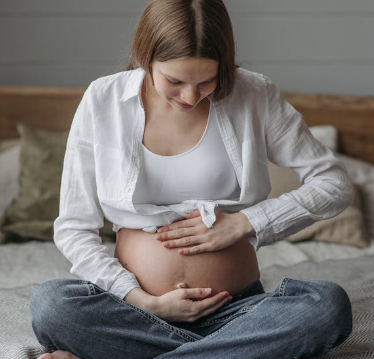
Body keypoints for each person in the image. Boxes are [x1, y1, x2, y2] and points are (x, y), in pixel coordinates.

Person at [29, 0, 354, 358]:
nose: (190, 96)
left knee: (326, 305)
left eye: (207, 81)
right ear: (146, 56)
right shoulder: (103, 100)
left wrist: (244, 223)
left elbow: (334, 183)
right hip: (135, 313)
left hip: (237, 313)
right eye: (175, 81)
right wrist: (144, 301)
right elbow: (75, 227)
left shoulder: (254, 94)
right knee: (52, 304)